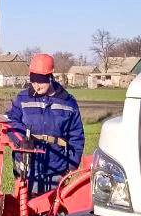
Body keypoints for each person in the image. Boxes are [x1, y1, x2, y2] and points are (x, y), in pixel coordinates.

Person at [6, 53, 85, 196]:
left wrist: (72, 165)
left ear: (50, 77)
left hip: (56, 167)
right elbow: (11, 121)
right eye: (33, 80)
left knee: (53, 212)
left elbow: (76, 136)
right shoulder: (22, 98)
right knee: (27, 211)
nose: (36, 85)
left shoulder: (68, 102)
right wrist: (22, 139)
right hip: (29, 166)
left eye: (41, 80)